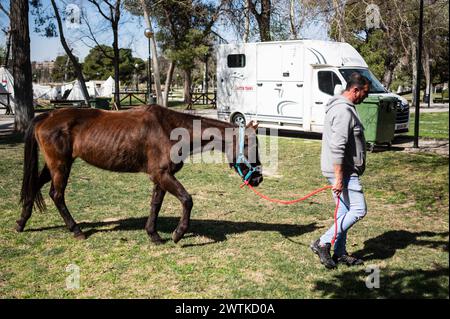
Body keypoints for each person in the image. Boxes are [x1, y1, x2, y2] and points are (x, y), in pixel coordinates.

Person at [310, 72, 371, 269]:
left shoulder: (341, 108)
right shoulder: (343, 111)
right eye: (364, 93)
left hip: (341, 171)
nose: (366, 97)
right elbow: (338, 146)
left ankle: (340, 252)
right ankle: (322, 242)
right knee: (359, 209)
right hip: (343, 172)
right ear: (355, 90)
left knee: (344, 211)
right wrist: (338, 177)